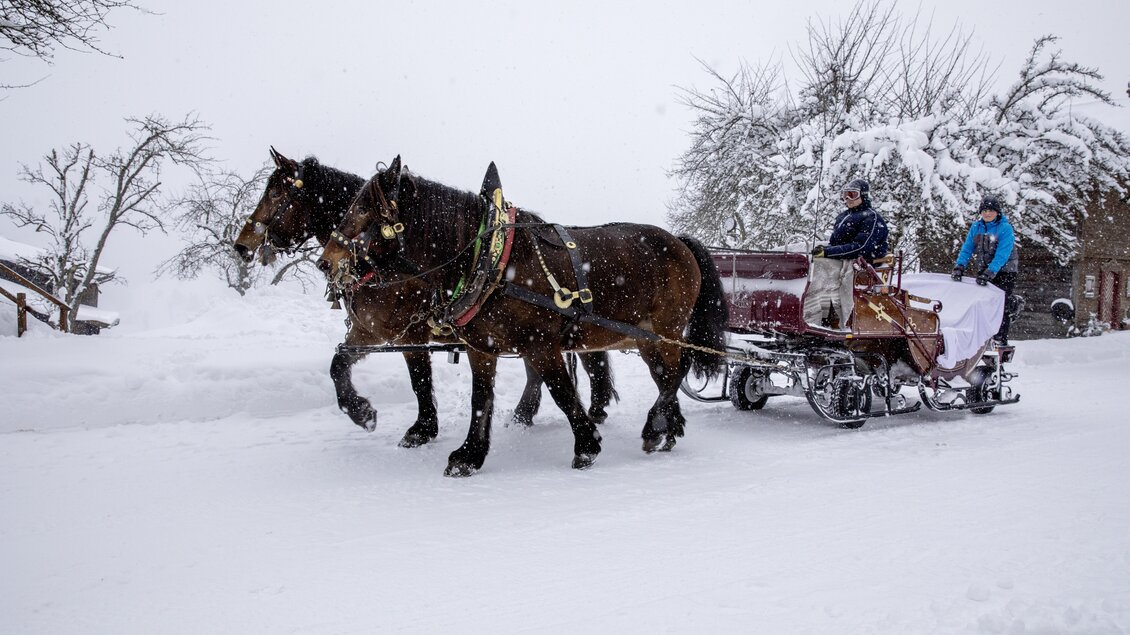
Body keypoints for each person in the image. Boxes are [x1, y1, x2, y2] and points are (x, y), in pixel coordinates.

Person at [804, 178, 890, 330]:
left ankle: (813, 317)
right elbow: (834, 243)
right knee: (806, 257)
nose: (847, 199)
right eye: (845, 195)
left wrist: (828, 253)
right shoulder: (844, 217)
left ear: (863, 195)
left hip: (860, 262)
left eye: (852, 194)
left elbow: (860, 248)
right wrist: (825, 251)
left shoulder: (872, 218)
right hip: (842, 258)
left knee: (816, 267)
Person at [951, 194, 1018, 345]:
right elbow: (967, 248)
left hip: (1005, 271)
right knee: (981, 304)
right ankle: (982, 338)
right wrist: (959, 266)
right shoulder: (976, 227)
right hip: (985, 269)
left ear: (997, 212)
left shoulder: (1004, 228)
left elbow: (1003, 253)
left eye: (991, 210)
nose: (987, 213)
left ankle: (1000, 338)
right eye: (984, 210)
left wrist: (991, 272)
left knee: (1001, 304)